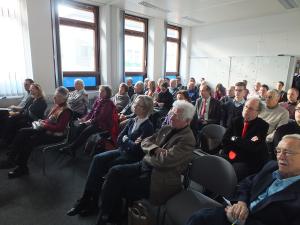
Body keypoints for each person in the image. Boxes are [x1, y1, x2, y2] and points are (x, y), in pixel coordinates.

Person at [93, 100, 196, 225]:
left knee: (118, 185)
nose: (172, 117)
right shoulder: (167, 128)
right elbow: (145, 142)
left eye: (177, 116)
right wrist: (156, 149)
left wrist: (149, 154)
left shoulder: (187, 140)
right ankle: (108, 215)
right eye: (172, 113)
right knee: (114, 172)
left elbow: (164, 162)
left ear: (188, 121)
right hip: (144, 166)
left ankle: (108, 217)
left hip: (159, 178)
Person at [66, 95, 154, 217]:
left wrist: (126, 140)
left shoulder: (148, 126)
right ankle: (86, 199)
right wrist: (129, 141)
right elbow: (119, 139)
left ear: (145, 109)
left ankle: (98, 205)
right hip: (122, 150)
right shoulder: (133, 120)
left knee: (106, 166)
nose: (134, 106)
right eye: (135, 103)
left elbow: (137, 150)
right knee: (98, 158)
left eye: (137, 105)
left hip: (133, 158)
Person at [186, 134, 300, 225]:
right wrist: (242, 203)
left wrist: (243, 222)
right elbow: (247, 183)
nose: (280, 156)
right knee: (200, 217)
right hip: (236, 212)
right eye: (278, 151)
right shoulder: (272, 166)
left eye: (288, 152)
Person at [0, 87, 72, 177]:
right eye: (54, 96)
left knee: (29, 142)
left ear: (63, 98)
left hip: (56, 135)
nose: (54, 98)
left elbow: (60, 128)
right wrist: (42, 122)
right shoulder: (57, 106)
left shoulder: (66, 111)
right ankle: (11, 159)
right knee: (22, 132)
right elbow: (50, 120)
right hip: (47, 130)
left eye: (56, 96)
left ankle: (21, 167)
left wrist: (44, 125)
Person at [60, 85, 118, 155]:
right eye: (100, 91)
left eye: (103, 91)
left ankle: (72, 148)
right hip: (95, 122)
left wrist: (89, 121)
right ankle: (73, 147)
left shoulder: (108, 103)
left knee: (87, 131)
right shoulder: (99, 100)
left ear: (108, 93)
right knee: (80, 127)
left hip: (103, 125)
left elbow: (101, 117)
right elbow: (92, 112)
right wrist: (84, 119)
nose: (100, 92)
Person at [221, 98, 269, 181]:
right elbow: (225, 140)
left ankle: (226, 191)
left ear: (258, 112)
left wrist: (235, 139)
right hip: (232, 154)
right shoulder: (236, 120)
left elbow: (252, 147)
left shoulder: (262, 126)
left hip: (249, 161)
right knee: (216, 162)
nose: (246, 110)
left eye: (250, 109)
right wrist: (233, 148)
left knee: (232, 172)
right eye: (246, 107)